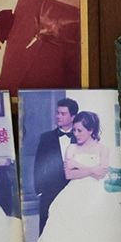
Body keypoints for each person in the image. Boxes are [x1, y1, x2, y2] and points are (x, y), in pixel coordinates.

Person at [36, 111, 121, 242]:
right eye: (74, 130)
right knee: (62, 216)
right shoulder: (71, 148)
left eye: (80, 130)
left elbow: (100, 174)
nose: (76, 134)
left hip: (95, 193)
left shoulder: (103, 149)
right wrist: (92, 169)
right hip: (74, 192)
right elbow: (69, 175)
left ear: (90, 130)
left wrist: (78, 165)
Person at [31, 97, 77, 232]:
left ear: (73, 117)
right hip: (50, 191)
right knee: (47, 227)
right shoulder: (46, 138)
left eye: (63, 114)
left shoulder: (80, 137)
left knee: (71, 227)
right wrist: (39, 190)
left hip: (73, 190)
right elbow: (38, 165)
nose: (58, 116)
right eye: (57, 113)